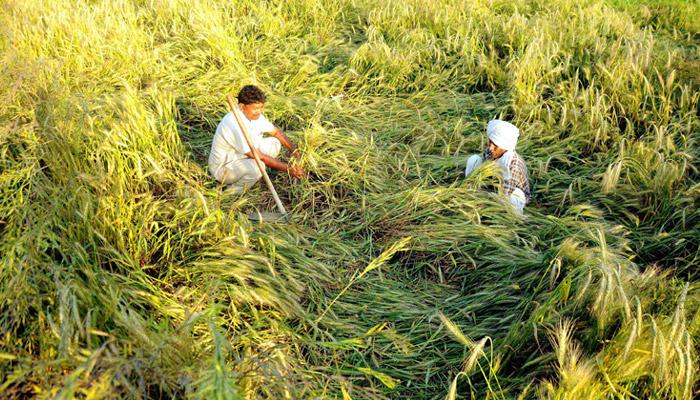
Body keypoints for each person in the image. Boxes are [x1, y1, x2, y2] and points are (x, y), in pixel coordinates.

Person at [208, 85, 304, 193]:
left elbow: (276, 133)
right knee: (258, 167)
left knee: (274, 143)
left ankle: (255, 173)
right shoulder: (233, 124)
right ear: (241, 106)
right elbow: (257, 155)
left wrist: (295, 152)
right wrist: (288, 169)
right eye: (255, 108)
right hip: (225, 167)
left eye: (261, 108)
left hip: (243, 155)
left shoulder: (254, 115)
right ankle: (229, 192)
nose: (259, 111)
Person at [464, 120, 530, 214]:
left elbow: (505, 195)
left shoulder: (513, 165)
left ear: (505, 147)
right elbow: (482, 171)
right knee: (473, 160)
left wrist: (485, 205)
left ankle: (514, 218)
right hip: (494, 186)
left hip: (508, 192)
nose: (491, 147)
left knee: (515, 196)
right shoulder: (491, 151)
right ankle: (471, 194)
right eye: (490, 142)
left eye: (496, 145)